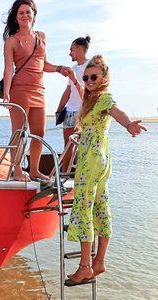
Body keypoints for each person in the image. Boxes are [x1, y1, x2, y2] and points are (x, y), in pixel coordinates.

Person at [66, 55, 146, 283]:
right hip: (99, 158)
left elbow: (116, 111)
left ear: (103, 78)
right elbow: (93, 124)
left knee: (83, 208)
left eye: (93, 77)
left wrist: (128, 124)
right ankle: (99, 262)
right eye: (86, 77)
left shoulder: (103, 98)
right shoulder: (89, 100)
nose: (89, 80)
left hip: (91, 160)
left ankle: (84, 267)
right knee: (100, 206)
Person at [2, 0, 70, 181]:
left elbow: (43, 64)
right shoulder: (11, 41)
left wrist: (59, 68)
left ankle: (33, 170)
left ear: (33, 14)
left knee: (39, 132)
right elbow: (8, 68)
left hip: (39, 90)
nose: (25, 15)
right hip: (20, 90)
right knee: (19, 132)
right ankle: (17, 172)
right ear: (16, 17)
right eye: (21, 13)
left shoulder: (42, 37)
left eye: (28, 12)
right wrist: (7, 93)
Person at [56, 36, 91, 172]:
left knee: (84, 146)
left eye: (71, 49)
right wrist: (59, 109)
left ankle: (83, 175)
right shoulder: (73, 68)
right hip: (70, 112)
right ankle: (65, 175)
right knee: (68, 146)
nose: (70, 53)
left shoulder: (91, 67)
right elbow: (68, 90)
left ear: (79, 49)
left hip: (84, 111)